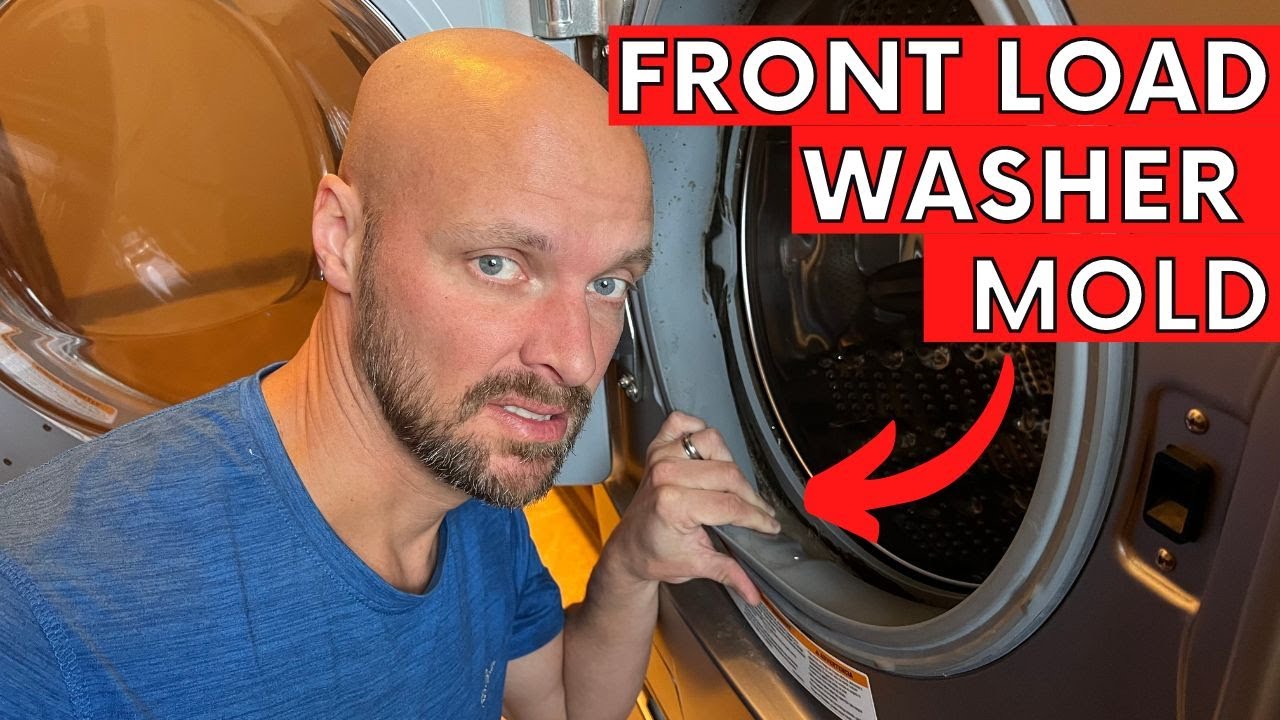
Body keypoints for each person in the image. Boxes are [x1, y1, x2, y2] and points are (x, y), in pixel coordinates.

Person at [0, 27, 780, 720]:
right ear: (340, 237)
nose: (575, 359)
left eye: (608, 284)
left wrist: (632, 563)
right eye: (499, 263)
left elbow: (566, 703)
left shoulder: (466, 484)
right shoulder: (43, 620)